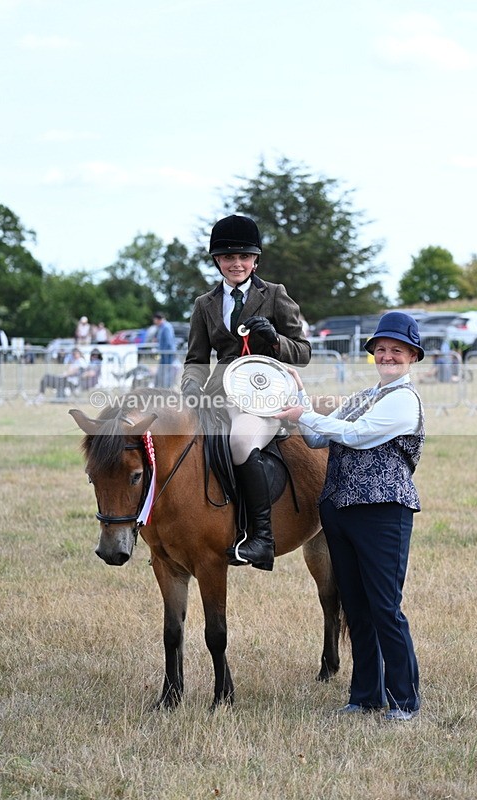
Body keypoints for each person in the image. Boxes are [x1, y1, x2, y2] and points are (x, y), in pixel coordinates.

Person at [276, 311, 425, 721]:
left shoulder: (403, 401)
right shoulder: (363, 396)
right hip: (340, 510)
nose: (387, 356)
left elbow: (357, 435)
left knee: (385, 608)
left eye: (397, 350)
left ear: (412, 356)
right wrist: (300, 398)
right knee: (356, 608)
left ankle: (404, 701)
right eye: (381, 350)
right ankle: (365, 697)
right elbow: (317, 436)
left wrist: (303, 415)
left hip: (382, 512)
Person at [181, 214, 311, 572]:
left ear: (255, 260)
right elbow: (195, 359)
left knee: (240, 441)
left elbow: (303, 352)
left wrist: (273, 338)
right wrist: (191, 389)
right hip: (219, 395)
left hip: (265, 395)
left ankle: (261, 539)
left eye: (244, 257)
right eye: (227, 257)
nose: (236, 263)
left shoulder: (275, 295)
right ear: (217, 261)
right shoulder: (204, 304)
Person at [152, 312, 178, 388]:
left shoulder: (166, 327)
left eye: (155, 320)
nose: (154, 322)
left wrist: (164, 352)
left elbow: (168, 342)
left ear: (158, 319)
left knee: (167, 372)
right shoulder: (163, 327)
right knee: (164, 372)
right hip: (165, 354)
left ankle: (167, 389)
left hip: (167, 354)